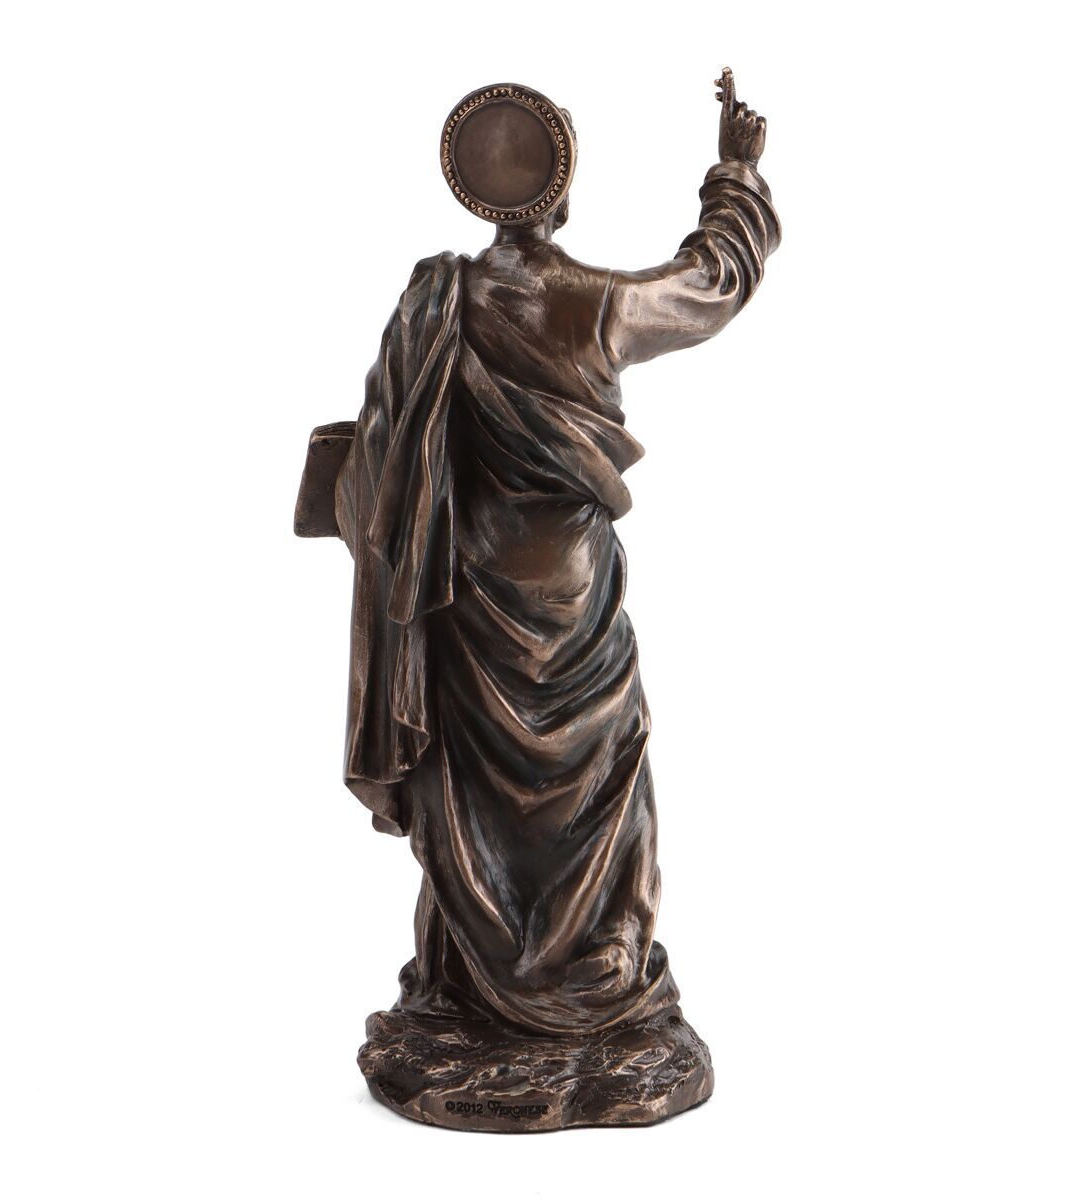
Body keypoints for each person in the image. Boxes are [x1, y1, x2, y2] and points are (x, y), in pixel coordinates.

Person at [335, 73, 781, 1037]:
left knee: (473, 790)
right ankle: (591, 967)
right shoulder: (595, 306)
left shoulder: (433, 304)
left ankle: (475, 978)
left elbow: (380, 457)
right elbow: (709, 285)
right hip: (570, 598)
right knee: (603, 766)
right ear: (565, 188)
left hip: (464, 594)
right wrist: (735, 177)